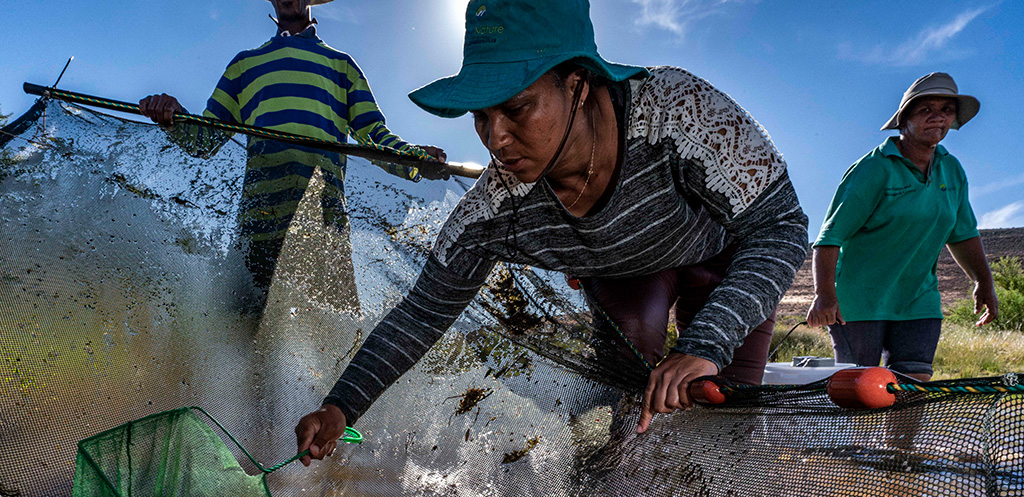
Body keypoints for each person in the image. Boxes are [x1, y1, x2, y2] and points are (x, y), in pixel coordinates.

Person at [295, 0, 809, 464]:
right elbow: (421, 314)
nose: (496, 138)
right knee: (631, 407)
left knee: (726, 420)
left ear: (578, 86)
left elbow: (783, 225)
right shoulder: (496, 208)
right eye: (481, 116)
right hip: (622, 274)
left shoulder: (679, 112)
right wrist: (341, 407)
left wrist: (705, 344)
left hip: (728, 256)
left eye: (517, 109)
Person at [139, 0, 446, 314]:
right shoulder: (244, 65)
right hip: (257, 231)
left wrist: (415, 158)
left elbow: (373, 136)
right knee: (239, 340)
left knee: (332, 350)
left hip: (325, 233)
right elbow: (203, 140)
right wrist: (173, 115)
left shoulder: (343, 66)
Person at [807, 72, 998, 381]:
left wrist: (983, 282)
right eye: (926, 110)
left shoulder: (952, 169)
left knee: (912, 390)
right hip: (859, 303)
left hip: (918, 301)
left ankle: (901, 434)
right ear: (904, 119)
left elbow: (963, 234)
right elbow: (829, 239)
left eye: (946, 110)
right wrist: (825, 295)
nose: (937, 118)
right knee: (859, 390)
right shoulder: (873, 169)